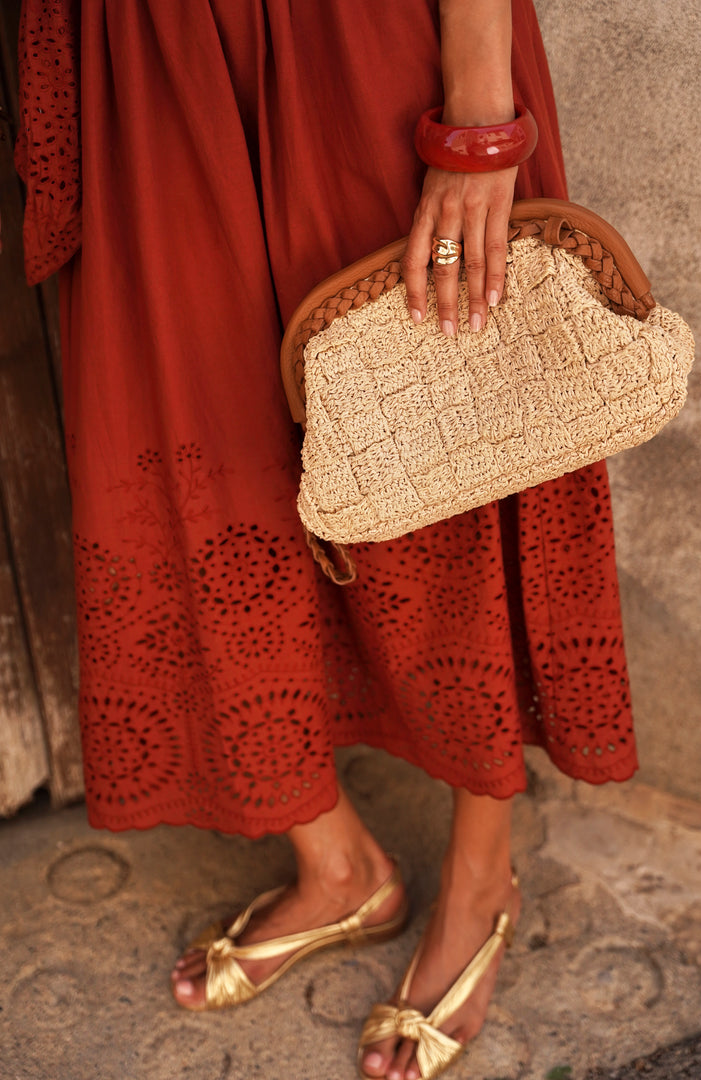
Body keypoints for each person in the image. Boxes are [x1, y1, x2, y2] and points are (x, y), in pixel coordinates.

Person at [17, 1, 638, 1077]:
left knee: (446, 428)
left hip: (350, 41)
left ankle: (483, 874)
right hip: (147, 52)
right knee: (201, 455)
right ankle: (340, 863)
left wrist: (479, 118)